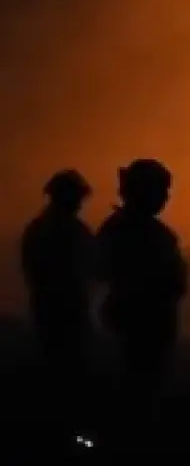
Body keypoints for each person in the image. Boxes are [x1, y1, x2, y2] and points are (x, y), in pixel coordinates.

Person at [96, 159, 188, 419]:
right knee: (136, 397)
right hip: (136, 326)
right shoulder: (125, 231)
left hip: (149, 325)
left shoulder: (135, 231)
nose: (166, 197)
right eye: (160, 190)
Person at [20, 169, 96, 433]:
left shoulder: (38, 229)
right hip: (66, 312)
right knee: (67, 376)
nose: (79, 204)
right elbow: (95, 267)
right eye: (77, 198)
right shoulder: (70, 231)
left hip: (48, 310)